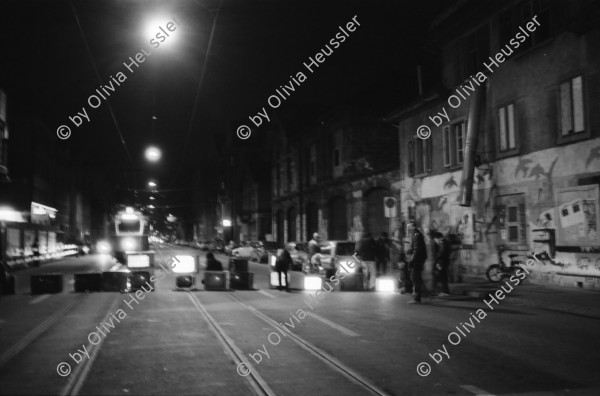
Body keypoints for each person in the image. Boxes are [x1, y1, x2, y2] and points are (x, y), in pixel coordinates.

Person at [406, 220, 427, 303]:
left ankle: (417, 298)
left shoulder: (416, 234)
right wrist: (410, 250)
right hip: (419, 258)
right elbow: (415, 247)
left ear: (412, 226)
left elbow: (417, 249)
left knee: (415, 277)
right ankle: (422, 293)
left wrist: (412, 260)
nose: (407, 228)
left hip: (418, 259)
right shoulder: (415, 234)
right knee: (416, 277)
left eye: (409, 226)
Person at [432, 231, 451, 296]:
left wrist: (437, 259)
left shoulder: (443, 242)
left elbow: (442, 253)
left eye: (435, 239)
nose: (435, 241)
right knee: (443, 276)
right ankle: (444, 290)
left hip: (442, 262)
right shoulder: (445, 242)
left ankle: (444, 291)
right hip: (443, 261)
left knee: (442, 276)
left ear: (437, 238)